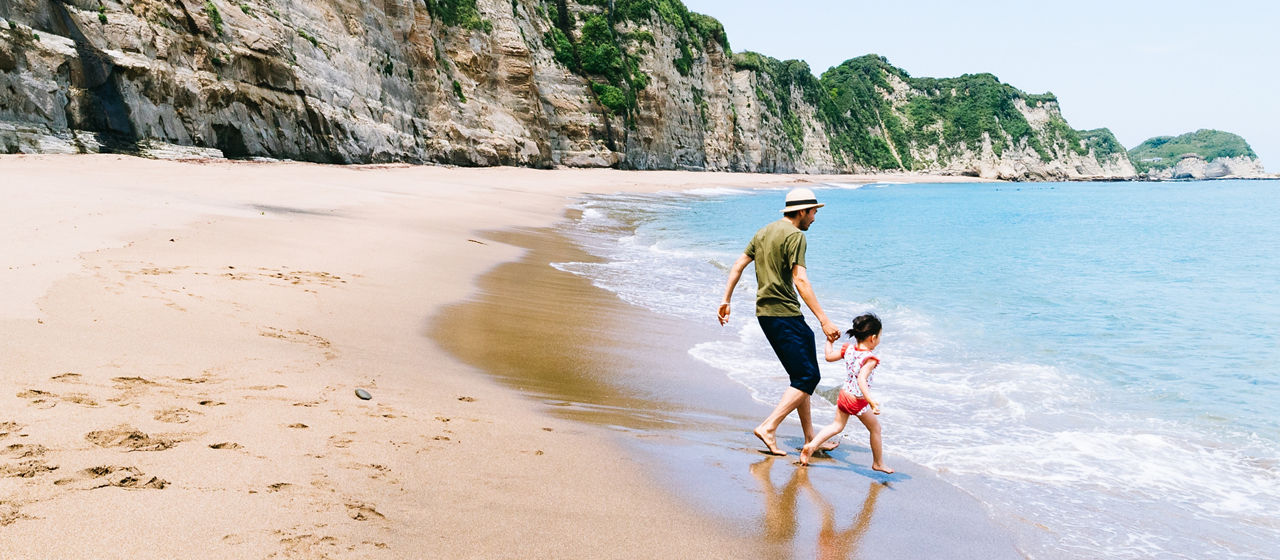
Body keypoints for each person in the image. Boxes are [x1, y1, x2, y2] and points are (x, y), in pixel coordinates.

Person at [718, 187, 841, 457]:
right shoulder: (795, 236)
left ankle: (811, 439)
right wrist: (824, 320)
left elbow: (739, 264)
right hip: (783, 313)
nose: (814, 218)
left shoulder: (763, 232)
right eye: (813, 212)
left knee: (801, 375)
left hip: (767, 314)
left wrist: (726, 300)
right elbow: (800, 280)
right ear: (801, 212)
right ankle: (769, 426)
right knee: (809, 376)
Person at [798, 313, 893, 473]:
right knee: (875, 429)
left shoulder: (848, 349)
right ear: (873, 338)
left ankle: (811, 446)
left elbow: (828, 356)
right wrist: (870, 400)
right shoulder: (870, 359)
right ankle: (878, 463)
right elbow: (862, 380)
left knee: (836, 426)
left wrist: (829, 341)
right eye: (879, 337)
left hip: (843, 395)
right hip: (857, 400)